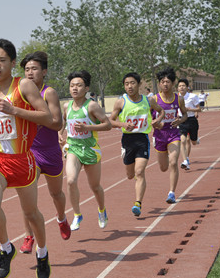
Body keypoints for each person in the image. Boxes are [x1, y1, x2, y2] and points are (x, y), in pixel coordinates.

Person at [0, 39, 53, 278]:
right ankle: (6, 248)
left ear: (11, 63)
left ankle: (42, 253)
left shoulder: (25, 86)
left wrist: (14, 110)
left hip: (22, 160)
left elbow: (47, 116)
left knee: (31, 213)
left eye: (2, 60)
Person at [17, 51, 69, 255]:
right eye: (27, 69)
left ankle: (62, 217)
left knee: (56, 193)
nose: (30, 73)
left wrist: (33, 117)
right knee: (27, 196)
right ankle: (28, 236)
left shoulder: (49, 93)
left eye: (34, 69)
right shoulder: (19, 94)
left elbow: (57, 124)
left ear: (44, 71)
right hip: (30, 153)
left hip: (51, 152)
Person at [62, 70, 111, 230]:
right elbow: (63, 122)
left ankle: (102, 210)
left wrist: (87, 127)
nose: (75, 88)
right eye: (72, 85)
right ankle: (77, 214)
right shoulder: (66, 106)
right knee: (70, 180)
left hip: (90, 149)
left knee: (95, 187)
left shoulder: (91, 106)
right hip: (73, 148)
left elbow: (107, 124)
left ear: (86, 88)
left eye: (79, 85)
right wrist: (59, 134)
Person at [109, 72, 163, 216]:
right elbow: (110, 121)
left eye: (132, 83)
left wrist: (158, 120)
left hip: (142, 139)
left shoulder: (148, 100)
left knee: (140, 172)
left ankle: (137, 203)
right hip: (127, 141)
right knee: (130, 174)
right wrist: (122, 124)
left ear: (139, 84)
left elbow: (161, 111)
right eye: (126, 84)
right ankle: (135, 178)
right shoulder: (121, 102)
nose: (129, 86)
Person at [150, 67, 188, 204]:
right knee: (163, 167)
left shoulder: (179, 99)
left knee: (173, 163)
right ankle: (165, 155)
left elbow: (184, 115)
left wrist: (180, 120)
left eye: (168, 81)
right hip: (159, 135)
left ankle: (171, 192)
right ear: (159, 84)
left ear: (173, 83)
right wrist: (155, 123)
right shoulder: (153, 99)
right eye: (162, 81)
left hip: (173, 134)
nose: (165, 84)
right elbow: (148, 118)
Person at [177, 79, 202, 170]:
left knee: (193, 142)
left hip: (191, 120)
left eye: (183, 85)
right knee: (183, 141)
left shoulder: (193, 96)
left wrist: (190, 109)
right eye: (180, 86)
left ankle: (195, 138)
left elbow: (199, 109)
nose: (181, 87)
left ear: (187, 87)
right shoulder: (175, 97)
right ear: (177, 88)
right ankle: (185, 161)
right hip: (181, 120)